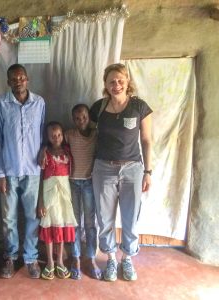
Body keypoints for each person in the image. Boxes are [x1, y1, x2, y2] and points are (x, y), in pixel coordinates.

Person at [89, 63, 153, 282]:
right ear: (105, 85)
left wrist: (148, 171)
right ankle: (110, 259)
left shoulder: (139, 107)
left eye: (120, 81)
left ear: (127, 82)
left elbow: (146, 140)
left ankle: (127, 258)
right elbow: (89, 136)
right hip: (103, 169)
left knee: (130, 218)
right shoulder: (97, 108)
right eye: (111, 81)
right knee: (104, 218)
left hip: (132, 169)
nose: (116, 85)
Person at [0, 64, 45, 279]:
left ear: (28, 79)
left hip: (32, 170)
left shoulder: (39, 103)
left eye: (21, 78)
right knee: (8, 218)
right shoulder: (1, 104)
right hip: (9, 169)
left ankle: (30, 257)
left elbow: (42, 135)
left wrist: (43, 154)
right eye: (14, 79)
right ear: (8, 82)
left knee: (32, 216)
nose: (18, 81)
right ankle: (11, 257)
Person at [65, 104, 101, 280]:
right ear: (73, 120)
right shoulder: (69, 134)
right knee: (75, 223)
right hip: (72, 183)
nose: (81, 121)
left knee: (90, 223)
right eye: (77, 118)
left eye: (84, 117)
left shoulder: (96, 134)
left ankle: (92, 258)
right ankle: (76, 258)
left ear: (89, 117)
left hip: (89, 183)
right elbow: (54, 143)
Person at [38, 121, 77, 280]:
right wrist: (40, 201)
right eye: (52, 136)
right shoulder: (44, 153)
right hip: (48, 194)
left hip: (65, 194)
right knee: (49, 225)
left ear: (63, 135)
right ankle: (50, 262)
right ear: (47, 137)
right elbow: (40, 178)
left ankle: (60, 260)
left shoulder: (68, 151)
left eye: (59, 135)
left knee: (61, 225)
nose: (56, 138)